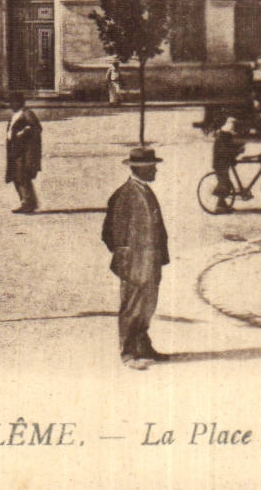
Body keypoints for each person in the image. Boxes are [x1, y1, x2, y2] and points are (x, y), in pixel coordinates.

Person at [101, 146, 170, 370]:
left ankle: (143, 345)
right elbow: (111, 234)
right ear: (140, 169)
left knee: (147, 305)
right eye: (152, 168)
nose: (156, 171)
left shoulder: (146, 191)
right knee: (131, 307)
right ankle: (128, 352)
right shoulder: (125, 194)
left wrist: (158, 257)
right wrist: (126, 261)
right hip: (134, 264)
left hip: (150, 261)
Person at [5, 93, 42, 214]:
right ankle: (25, 202)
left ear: (20, 103)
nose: (11, 105)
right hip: (14, 150)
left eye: (13, 102)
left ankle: (29, 203)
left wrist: (23, 132)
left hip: (24, 151)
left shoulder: (27, 113)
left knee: (22, 176)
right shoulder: (16, 114)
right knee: (16, 176)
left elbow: (36, 128)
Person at [210, 115, 246, 212]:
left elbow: (231, 147)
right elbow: (226, 151)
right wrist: (238, 150)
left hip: (223, 163)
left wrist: (239, 148)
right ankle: (219, 207)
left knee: (226, 183)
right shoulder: (222, 138)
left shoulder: (224, 136)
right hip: (220, 164)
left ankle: (222, 204)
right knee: (225, 184)